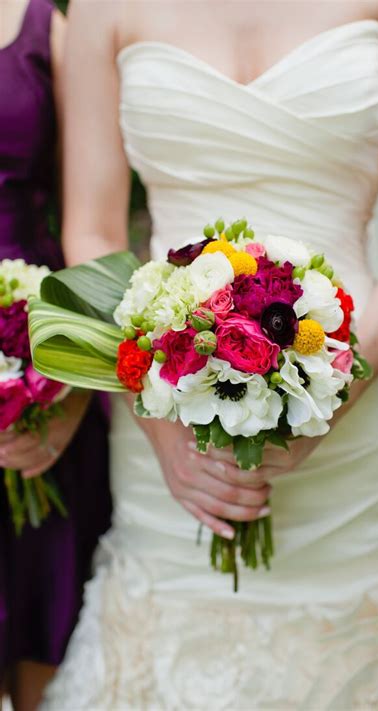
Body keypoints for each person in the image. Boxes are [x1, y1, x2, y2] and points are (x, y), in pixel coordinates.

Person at [42, 0, 378, 708]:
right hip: (166, 417)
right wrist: (162, 429)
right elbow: (92, 229)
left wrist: (335, 389)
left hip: (356, 414)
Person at [0, 1, 111, 708]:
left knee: (54, 633)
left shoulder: (52, 26)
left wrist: (71, 390)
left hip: (44, 344)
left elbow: (92, 222)